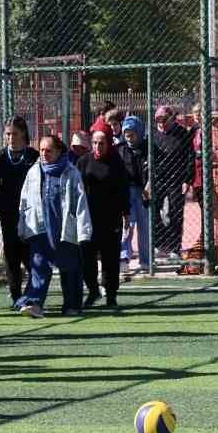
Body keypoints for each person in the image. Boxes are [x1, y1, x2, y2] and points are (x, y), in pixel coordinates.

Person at [17, 134, 90, 318]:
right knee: (39, 265)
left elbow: (80, 202)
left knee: (70, 267)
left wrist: (83, 231)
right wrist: (23, 226)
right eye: (41, 150)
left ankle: (72, 304)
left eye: (48, 150)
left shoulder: (71, 172)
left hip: (65, 228)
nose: (44, 154)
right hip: (41, 227)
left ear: (58, 151)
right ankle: (34, 304)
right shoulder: (34, 172)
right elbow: (24, 201)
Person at [80, 121, 131, 309]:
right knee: (87, 257)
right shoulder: (83, 162)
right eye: (94, 143)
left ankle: (111, 295)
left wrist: (126, 213)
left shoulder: (116, 163)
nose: (97, 147)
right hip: (88, 219)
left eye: (101, 143)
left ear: (109, 143)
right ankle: (92, 290)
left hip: (110, 218)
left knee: (110, 258)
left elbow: (123, 189)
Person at [0, 117, 37, 310]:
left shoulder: (33, 156)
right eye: (8, 134)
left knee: (31, 256)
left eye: (15, 134)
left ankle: (34, 293)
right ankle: (15, 296)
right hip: (9, 214)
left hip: (31, 214)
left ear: (24, 134)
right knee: (11, 256)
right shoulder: (1, 158)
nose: (11, 138)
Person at [151, 105, 194, 257]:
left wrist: (187, 179)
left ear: (171, 118)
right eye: (158, 120)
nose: (161, 123)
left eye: (164, 120)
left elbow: (190, 157)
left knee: (176, 213)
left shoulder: (182, 133)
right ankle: (159, 243)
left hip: (177, 179)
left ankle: (175, 247)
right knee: (153, 210)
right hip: (158, 179)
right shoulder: (153, 134)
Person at [117, 115, 149, 269]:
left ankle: (146, 259)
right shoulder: (121, 149)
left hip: (144, 191)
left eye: (132, 134)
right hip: (127, 191)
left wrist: (149, 186)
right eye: (126, 134)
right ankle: (124, 256)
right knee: (127, 225)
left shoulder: (148, 147)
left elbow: (155, 169)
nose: (129, 138)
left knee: (144, 226)